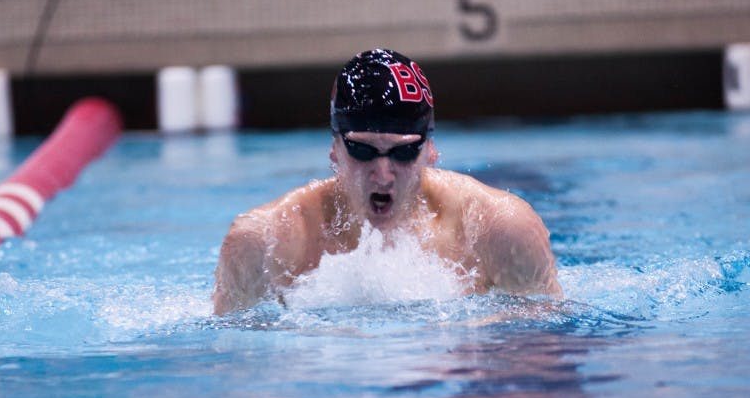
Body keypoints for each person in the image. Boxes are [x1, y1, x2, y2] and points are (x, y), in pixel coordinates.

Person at [212, 49, 562, 315]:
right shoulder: (264, 243)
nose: (382, 174)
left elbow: (538, 352)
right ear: (334, 148)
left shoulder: (498, 230)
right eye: (362, 151)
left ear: (430, 150)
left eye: (403, 153)